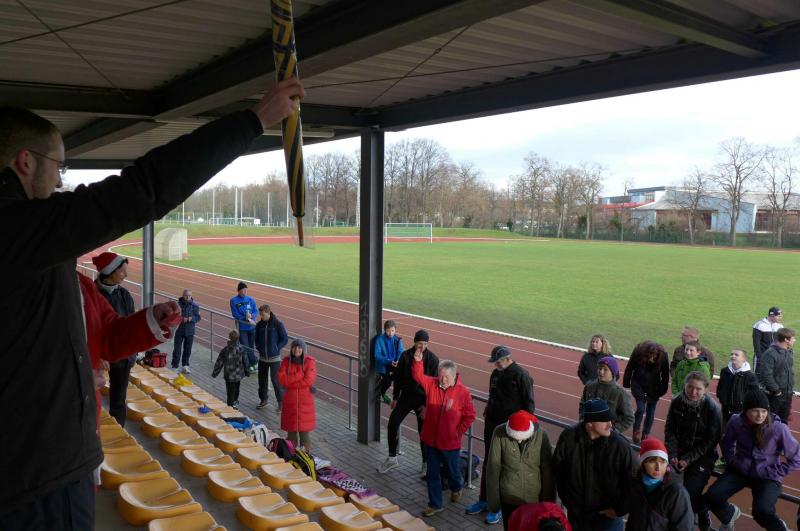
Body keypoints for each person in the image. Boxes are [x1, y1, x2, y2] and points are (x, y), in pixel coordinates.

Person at [0, 79, 303, 526]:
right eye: (59, 168)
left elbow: (103, 336)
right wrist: (254, 120)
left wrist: (147, 325)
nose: (62, 182)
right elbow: (144, 187)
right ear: (25, 162)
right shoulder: (18, 231)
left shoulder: (48, 262)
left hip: (45, 463)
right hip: (38, 475)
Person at [705, 389, 800, 531]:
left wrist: (775, 471)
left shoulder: (779, 429)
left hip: (767, 476)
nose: (760, 415)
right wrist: (733, 461)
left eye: (764, 411)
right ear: (746, 410)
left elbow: (797, 459)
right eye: (755, 411)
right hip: (741, 470)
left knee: (762, 511)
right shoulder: (736, 421)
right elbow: (727, 443)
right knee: (713, 496)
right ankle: (729, 515)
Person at [466, 345, 536, 525]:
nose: (495, 365)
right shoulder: (496, 374)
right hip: (492, 424)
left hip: (510, 428)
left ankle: (496, 507)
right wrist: (488, 409)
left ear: (507, 359)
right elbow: (492, 394)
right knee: (488, 462)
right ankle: (484, 499)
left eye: (497, 361)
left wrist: (524, 430)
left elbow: (529, 405)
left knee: (503, 466)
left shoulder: (522, 375)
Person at [553, 398, 633, 531]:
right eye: (604, 421)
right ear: (589, 424)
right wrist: (568, 500)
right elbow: (558, 471)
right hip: (578, 516)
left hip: (608, 520)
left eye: (610, 420)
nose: (610, 425)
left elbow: (633, 482)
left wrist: (619, 510)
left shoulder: (620, 446)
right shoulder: (569, 438)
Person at [411, 353, 476, 517]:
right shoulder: (432, 384)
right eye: (440, 376)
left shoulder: (463, 393)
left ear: (454, 376)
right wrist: (418, 361)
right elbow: (418, 376)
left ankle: (457, 486)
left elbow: (470, 416)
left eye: (446, 377)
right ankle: (435, 504)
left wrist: (457, 432)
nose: (442, 379)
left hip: (450, 443)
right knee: (432, 474)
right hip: (431, 440)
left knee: (452, 472)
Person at [663, 371, 722, 531]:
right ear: (685, 385)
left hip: (703, 456)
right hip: (679, 453)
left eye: (698, 389)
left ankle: (701, 512)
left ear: (706, 390)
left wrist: (688, 459)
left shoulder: (713, 409)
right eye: (690, 387)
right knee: (666, 489)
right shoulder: (677, 401)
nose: (693, 392)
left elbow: (711, 441)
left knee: (689, 494)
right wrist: (673, 454)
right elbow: (670, 429)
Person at [378, 329, 439, 474]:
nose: (422, 347)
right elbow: (398, 378)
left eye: (425, 344)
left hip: (422, 400)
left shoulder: (433, 359)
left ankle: (425, 463)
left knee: (423, 432)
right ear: (415, 342)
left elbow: (434, 386)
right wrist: (395, 398)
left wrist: (427, 406)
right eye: (420, 343)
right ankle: (392, 458)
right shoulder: (405, 356)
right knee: (393, 422)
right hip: (406, 397)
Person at [485, 410, 554, 530]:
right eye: (514, 438)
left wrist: (548, 503)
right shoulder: (499, 432)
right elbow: (493, 468)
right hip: (509, 499)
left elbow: (548, 472)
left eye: (522, 438)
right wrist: (494, 503)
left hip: (534, 501)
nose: (518, 441)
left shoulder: (542, 436)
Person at [91, 251, 136, 427]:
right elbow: (88, 329)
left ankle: (119, 431)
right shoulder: (90, 294)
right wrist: (99, 355)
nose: (126, 275)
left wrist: (132, 352)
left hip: (122, 358)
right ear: (109, 272)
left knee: (118, 400)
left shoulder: (125, 295)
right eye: (122, 271)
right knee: (91, 398)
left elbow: (131, 326)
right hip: (97, 357)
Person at [626, 437, 693, 531]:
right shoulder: (637, 484)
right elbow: (633, 519)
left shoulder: (677, 492)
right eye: (652, 461)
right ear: (643, 463)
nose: (658, 467)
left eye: (663, 461)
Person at [622, 340, 670, 443]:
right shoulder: (638, 351)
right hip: (638, 383)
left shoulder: (663, 355)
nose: (652, 358)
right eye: (650, 355)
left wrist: (662, 390)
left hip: (654, 386)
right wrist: (626, 382)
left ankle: (646, 433)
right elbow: (630, 366)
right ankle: (636, 430)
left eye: (655, 355)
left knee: (651, 411)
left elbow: (665, 374)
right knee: (640, 408)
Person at [278, 338, 317, 451]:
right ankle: (291, 454)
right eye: (295, 347)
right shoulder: (286, 361)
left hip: (305, 403)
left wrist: (290, 383)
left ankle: (305, 456)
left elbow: (309, 380)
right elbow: (281, 379)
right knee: (291, 435)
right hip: (290, 402)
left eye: (300, 348)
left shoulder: (310, 362)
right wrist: (299, 375)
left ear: (303, 349)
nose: (297, 350)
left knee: (304, 435)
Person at [579, 356, 633, 433]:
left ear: (613, 372)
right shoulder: (589, 386)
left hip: (607, 435)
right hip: (588, 431)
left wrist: (613, 431)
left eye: (605, 369)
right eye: (599, 368)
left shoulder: (620, 393)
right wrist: (582, 421)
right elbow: (582, 405)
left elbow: (629, 418)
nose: (601, 372)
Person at [755, 327, 796, 423]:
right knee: (770, 421)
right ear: (786, 340)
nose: (795, 340)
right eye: (793, 338)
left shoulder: (789, 351)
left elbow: (789, 372)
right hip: (775, 395)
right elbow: (766, 375)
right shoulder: (770, 354)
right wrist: (777, 391)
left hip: (787, 394)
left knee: (783, 421)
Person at [255, 304, 288, 411]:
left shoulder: (278, 324)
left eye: (263, 314)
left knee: (276, 381)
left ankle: (281, 403)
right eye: (260, 314)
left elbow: (284, 339)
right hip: (262, 358)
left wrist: (277, 348)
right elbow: (256, 339)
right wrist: (259, 347)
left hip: (275, 359)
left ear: (268, 313)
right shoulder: (259, 325)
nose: (261, 316)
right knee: (262, 381)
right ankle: (263, 400)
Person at [717, 349, 760, 425]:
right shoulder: (725, 371)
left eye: (736, 355)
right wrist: (721, 397)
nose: (733, 356)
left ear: (744, 359)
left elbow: (754, 393)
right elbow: (720, 385)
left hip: (740, 411)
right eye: (732, 354)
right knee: (724, 429)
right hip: (725, 408)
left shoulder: (750, 376)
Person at [212, 330, 251, 408]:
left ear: (229, 337)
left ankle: (230, 406)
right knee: (237, 389)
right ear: (238, 338)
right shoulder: (241, 348)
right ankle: (235, 402)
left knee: (230, 391)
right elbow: (245, 361)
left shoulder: (225, 350)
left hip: (229, 375)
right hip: (238, 374)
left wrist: (215, 373)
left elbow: (219, 362)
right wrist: (247, 372)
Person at [373, 319, 404, 404]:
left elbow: (401, 352)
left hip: (394, 364)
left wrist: (398, 361)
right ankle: (382, 392)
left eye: (392, 331)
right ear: (384, 330)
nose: (390, 333)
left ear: (395, 330)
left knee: (402, 377)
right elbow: (377, 355)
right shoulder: (379, 339)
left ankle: (397, 397)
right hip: (383, 365)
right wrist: (389, 362)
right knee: (388, 382)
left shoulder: (397, 339)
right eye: (388, 331)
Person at [230, 281, 258, 372]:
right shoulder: (233, 300)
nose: (245, 291)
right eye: (243, 290)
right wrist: (244, 318)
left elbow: (256, 311)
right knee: (246, 347)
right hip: (242, 328)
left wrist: (251, 316)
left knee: (251, 347)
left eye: (246, 289)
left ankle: (249, 366)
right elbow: (235, 314)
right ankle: (255, 362)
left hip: (252, 327)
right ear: (239, 290)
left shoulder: (251, 299)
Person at [172, 288, 201, 373]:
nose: (188, 297)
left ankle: (185, 365)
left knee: (187, 349)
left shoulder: (195, 305)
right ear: (183, 295)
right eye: (186, 295)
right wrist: (181, 319)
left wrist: (191, 319)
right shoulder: (178, 305)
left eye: (189, 295)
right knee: (177, 349)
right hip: (179, 330)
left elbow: (198, 317)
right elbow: (173, 316)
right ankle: (175, 366)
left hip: (190, 331)